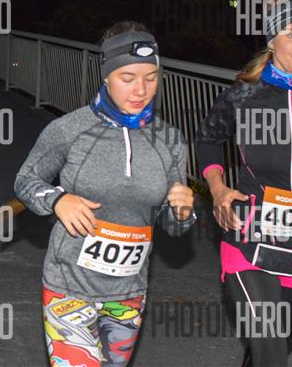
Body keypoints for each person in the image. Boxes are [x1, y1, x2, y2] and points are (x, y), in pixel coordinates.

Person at [14, 21, 196, 367]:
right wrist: (57, 199)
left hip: (128, 293)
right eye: (128, 78)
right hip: (69, 286)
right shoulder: (69, 129)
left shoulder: (170, 141)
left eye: (151, 78)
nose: (141, 90)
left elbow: (174, 226)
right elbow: (25, 181)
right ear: (106, 76)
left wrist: (183, 212)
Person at [195, 0, 292, 367]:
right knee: (271, 348)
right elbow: (208, 140)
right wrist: (217, 188)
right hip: (249, 237)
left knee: (269, 346)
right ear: (271, 40)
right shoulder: (243, 97)